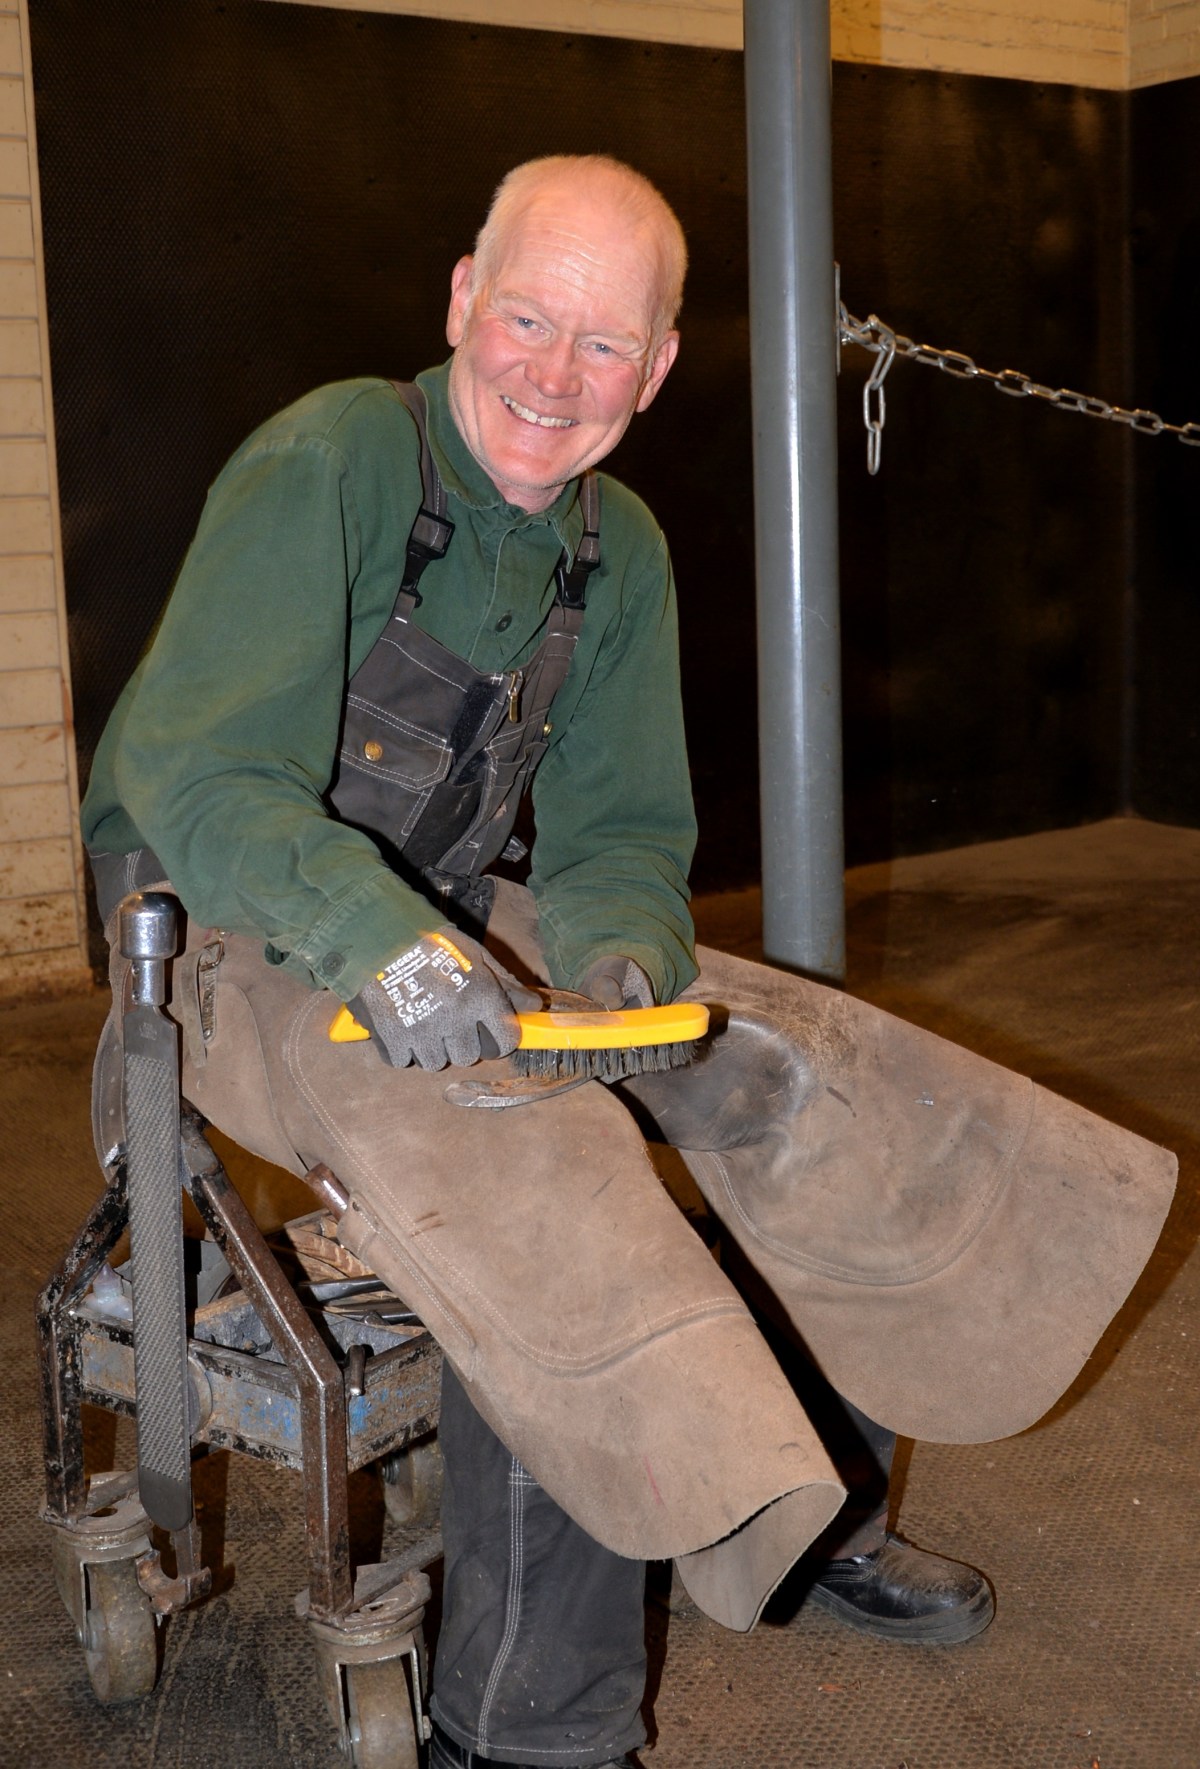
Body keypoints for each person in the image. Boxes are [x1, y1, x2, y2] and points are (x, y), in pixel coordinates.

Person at [81, 157, 1174, 1768]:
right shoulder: (334, 459)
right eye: (529, 319)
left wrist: (617, 965)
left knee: (792, 1069)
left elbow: (619, 834)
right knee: (539, 1171)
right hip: (219, 937)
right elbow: (205, 776)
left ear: (654, 368)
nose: (554, 374)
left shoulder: (618, 547)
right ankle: (534, 1727)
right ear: (465, 299)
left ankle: (811, 1512)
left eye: (604, 345)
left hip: (440, 900)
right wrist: (391, 953)